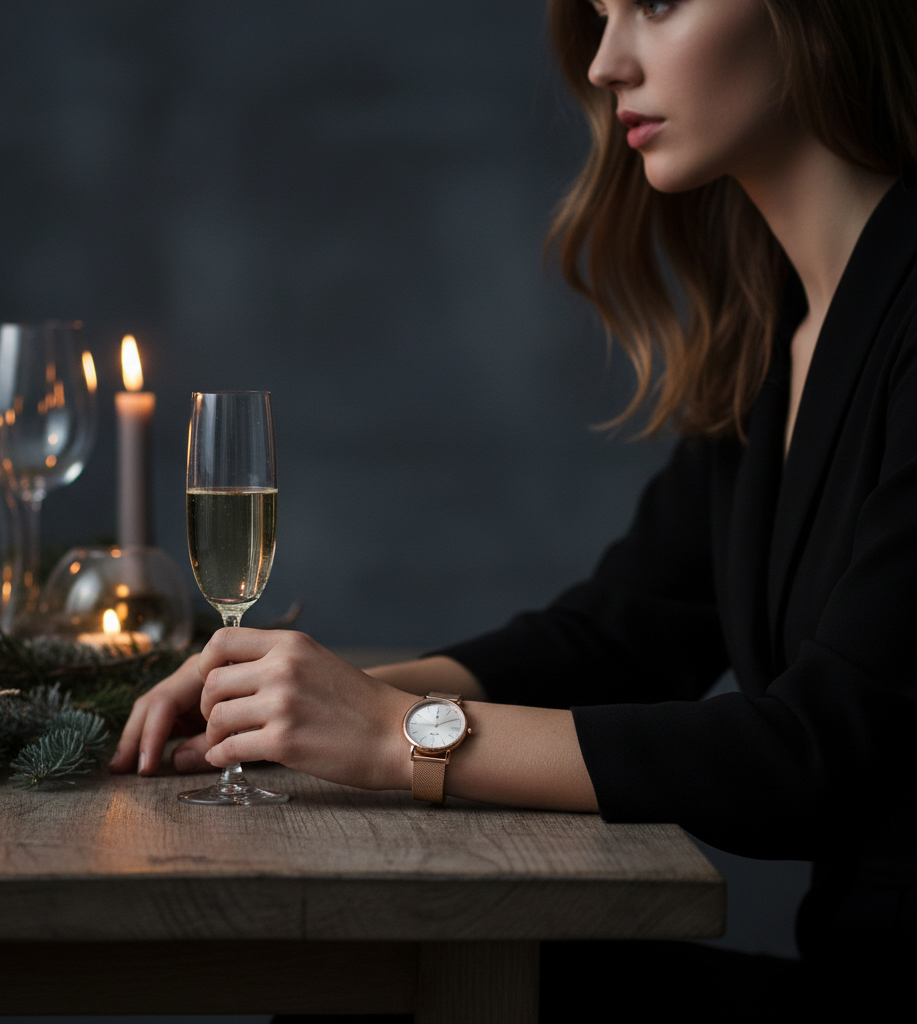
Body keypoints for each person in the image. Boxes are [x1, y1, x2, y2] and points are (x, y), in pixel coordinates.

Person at [111, 0, 917, 1015]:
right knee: (366, 978)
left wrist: (401, 738)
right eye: (599, 14)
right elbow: (621, 634)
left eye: (655, 6)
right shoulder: (777, 336)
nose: (606, 63)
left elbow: (824, 751)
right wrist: (312, 701)